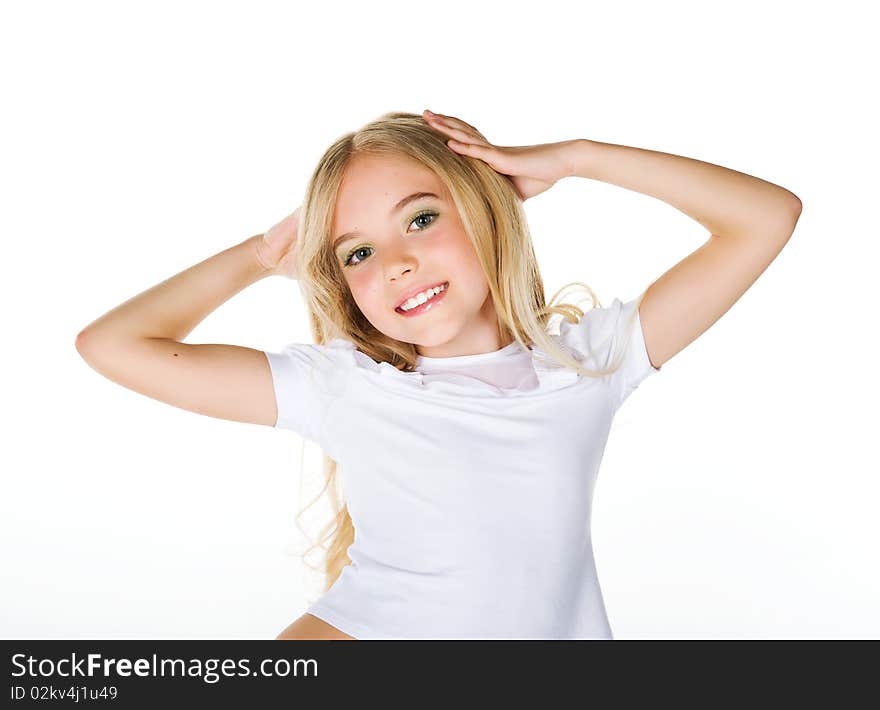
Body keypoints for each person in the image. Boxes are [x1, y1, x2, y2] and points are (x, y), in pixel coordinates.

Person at [75, 109, 802, 640]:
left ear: (486, 210)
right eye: (356, 253)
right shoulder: (344, 384)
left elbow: (766, 217)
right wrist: (258, 257)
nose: (394, 261)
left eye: (420, 219)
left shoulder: (586, 365)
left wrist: (575, 157)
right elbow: (111, 345)